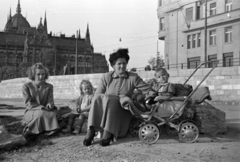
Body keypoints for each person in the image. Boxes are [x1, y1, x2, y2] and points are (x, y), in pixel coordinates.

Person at [83, 48, 150, 147]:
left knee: (110, 99)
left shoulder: (133, 77)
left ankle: (108, 132)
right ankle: (91, 130)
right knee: (98, 98)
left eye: (124, 63)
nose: (122, 66)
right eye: (119, 64)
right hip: (107, 109)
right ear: (113, 65)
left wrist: (153, 96)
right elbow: (98, 95)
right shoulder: (106, 77)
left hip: (123, 109)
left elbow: (148, 90)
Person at [22, 63, 59, 140]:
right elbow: (28, 103)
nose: (41, 77)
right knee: (41, 114)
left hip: (46, 110)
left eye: (43, 74)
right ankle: (30, 130)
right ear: (33, 74)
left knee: (51, 113)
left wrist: (50, 104)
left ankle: (36, 131)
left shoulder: (49, 87)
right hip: (31, 110)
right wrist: (42, 107)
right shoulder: (26, 86)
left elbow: (50, 100)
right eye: (38, 74)